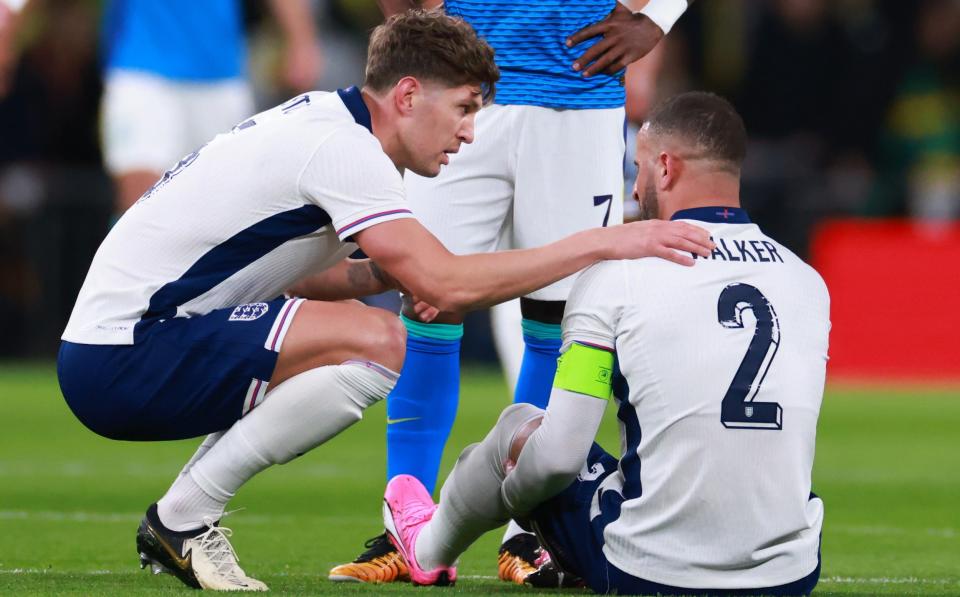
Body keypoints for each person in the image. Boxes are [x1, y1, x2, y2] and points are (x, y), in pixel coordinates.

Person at [56, 12, 713, 592]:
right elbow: (448, 285)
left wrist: (389, 277)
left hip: (120, 342)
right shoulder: (346, 154)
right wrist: (603, 244)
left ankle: (183, 517)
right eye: (463, 108)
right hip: (124, 353)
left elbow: (294, 274)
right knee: (378, 344)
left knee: (366, 333)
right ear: (406, 95)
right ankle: (183, 518)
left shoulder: (325, 122)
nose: (469, 133)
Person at [382, 91, 830, 596]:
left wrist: (514, 502)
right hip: (789, 577)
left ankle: (426, 551)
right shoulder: (808, 281)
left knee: (521, 428)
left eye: (637, 169)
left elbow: (557, 457)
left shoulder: (618, 277)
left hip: (649, 572)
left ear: (664, 167)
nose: (635, 189)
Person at [330, 0, 695, 585]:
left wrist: (661, 15)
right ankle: (407, 527)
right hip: (465, 85)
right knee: (427, 302)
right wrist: (408, 20)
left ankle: (531, 532)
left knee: (563, 320)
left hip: (579, 94)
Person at [99, 0, 321, 217]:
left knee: (223, 206)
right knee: (140, 202)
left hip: (219, 76)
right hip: (142, 67)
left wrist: (302, 41)